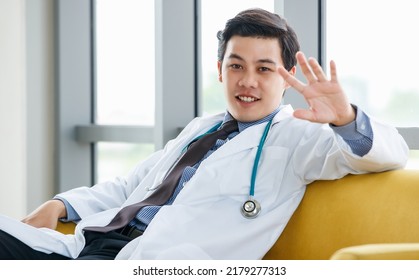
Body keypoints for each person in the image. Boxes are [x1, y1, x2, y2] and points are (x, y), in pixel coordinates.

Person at [0, 8, 408, 260]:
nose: (247, 81)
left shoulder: (299, 137)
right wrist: (61, 205)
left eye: (264, 69)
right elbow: (131, 185)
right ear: (220, 71)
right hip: (96, 243)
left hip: (151, 261)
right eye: (236, 66)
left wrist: (344, 117)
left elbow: (390, 154)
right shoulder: (202, 127)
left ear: (286, 79)